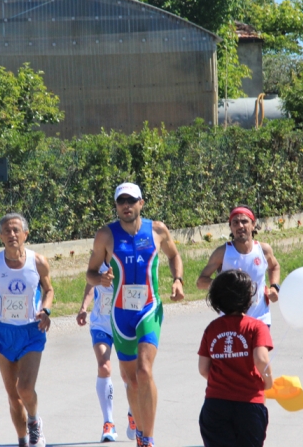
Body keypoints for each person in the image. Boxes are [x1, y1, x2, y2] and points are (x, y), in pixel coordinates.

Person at [87, 182, 185, 447]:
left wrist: (177, 279)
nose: (126, 206)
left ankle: (149, 438)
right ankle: (140, 433)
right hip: (120, 315)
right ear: (117, 206)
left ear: (142, 203)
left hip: (148, 309)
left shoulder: (157, 230)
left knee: (144, 370)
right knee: (130, 380)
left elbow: (174, 256)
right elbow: (90, 273)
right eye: (121, 201)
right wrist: (100, 279)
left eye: (132, 200)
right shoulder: (106, 235)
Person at [0, 213, 54, 447]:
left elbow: (49, 290)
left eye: (16, 230)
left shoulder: (38, 262)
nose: (12, 235)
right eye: (7, 231)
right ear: (0, 236)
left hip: (31, 330)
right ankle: (22, 440)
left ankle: (34, 422)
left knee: (25, 388)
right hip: (3, 332)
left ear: (25, 234)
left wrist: (46, 311)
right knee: (13, 396)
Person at [198, 269, 274, 447]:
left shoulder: (212, 328)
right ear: (248, 298)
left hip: (215, 405)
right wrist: (268, 381)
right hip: (248, 405)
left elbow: (203, 368)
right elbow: (261, 359)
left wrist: (223, 381)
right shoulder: (256, 327)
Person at [76, 266, 137, 443]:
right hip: (101, 324)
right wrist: (83, 307)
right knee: (104, 365)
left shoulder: (125, 254)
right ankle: (108, 423)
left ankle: (133, 413)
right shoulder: (98, 255)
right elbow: (91, 282)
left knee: (128, 375)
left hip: (125, 324)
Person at [196, 205, 280, 328]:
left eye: (244, 221)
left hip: (260, 318)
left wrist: (274, 287)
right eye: (235, 222)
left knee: (260, 348)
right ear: (231, 227)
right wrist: (224, 285)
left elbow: (274, 267)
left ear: (253, 224)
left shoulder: (263, 250)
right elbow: (201, 282)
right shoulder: (223, 252)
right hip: (231, 319)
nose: (240, 226)